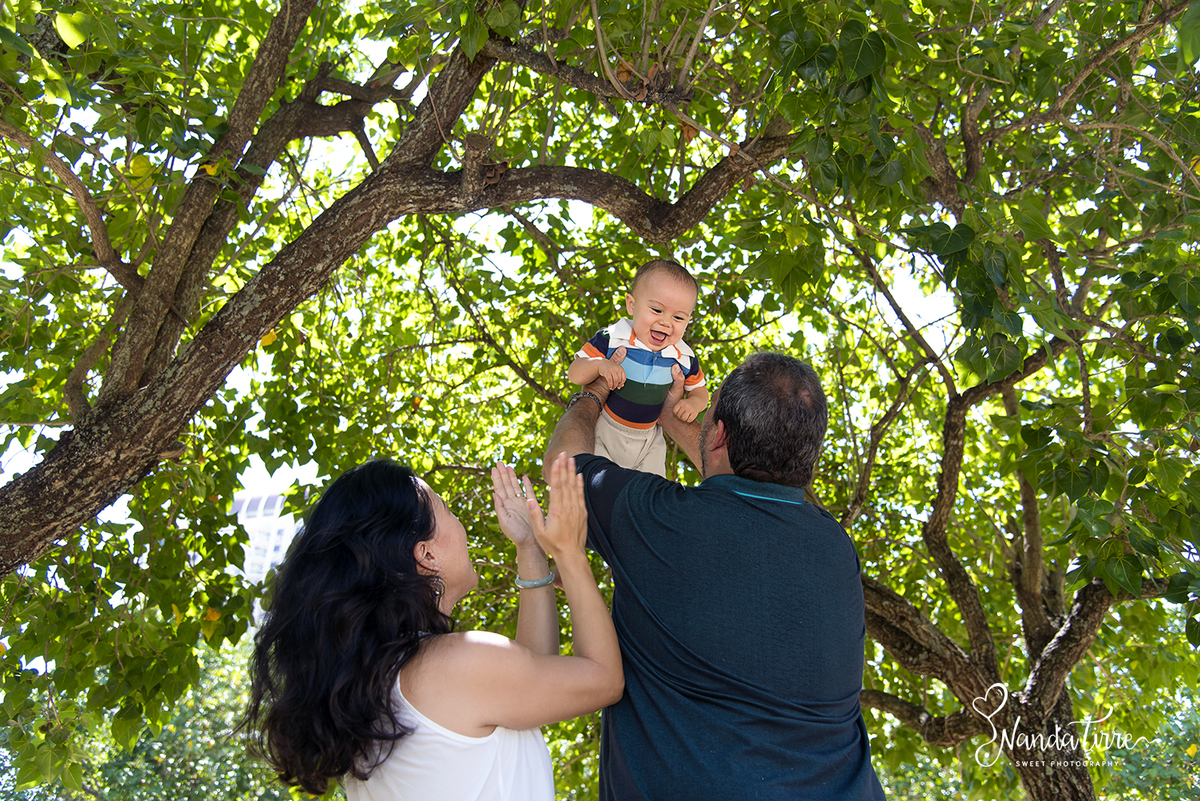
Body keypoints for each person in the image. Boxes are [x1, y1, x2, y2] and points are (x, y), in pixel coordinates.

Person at [545, 352, 887, 800]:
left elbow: (564, 467)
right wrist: (669, 412)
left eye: (711, 418)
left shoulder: (659, 520)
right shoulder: (835, 547)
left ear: (719, 433)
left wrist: (593, 393)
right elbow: (747, 477)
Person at [242, 452, 622, 800]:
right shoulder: (453, 664)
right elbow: (603, 679)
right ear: (426, 555)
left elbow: (534, 676)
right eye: (448, 511)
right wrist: (569, 552)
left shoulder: (375, 687)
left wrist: (530, 549)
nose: (461, 525)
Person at [567, 258, 709, 477]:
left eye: (678, 317)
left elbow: (700, 390)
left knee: (651, 489)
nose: (666, 322)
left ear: (688, 320)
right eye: (656, 310)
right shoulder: (614, 337)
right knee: (595, 485)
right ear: (632, 305)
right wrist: (600, 365)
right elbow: (575, 373)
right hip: (606, 430)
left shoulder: (684, 357)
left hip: (649, 439)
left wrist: (695, 404)